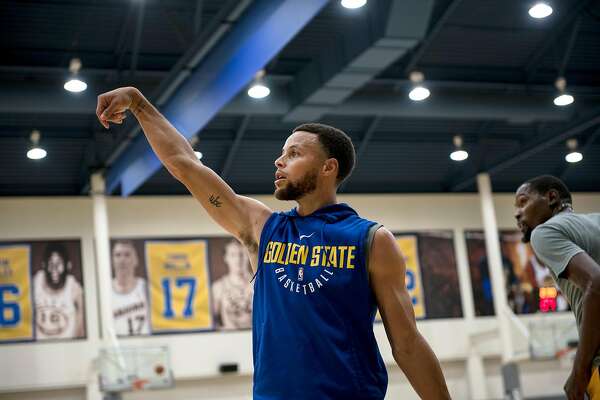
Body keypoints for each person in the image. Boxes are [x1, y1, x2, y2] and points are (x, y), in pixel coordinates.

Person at [96, 86, 450, 399]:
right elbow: (184, 164)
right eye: (283, 152)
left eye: (294, 154)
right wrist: (139, 104)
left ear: (329, 168)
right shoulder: (261, 228)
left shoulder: (372, 239)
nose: (279, 161)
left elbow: (406, 344)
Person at [514, 175, 600, 399]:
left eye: (523, 202)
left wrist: (579, 372)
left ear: (551, 197)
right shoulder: (596, 221)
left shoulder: (544, 233)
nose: (517, 213)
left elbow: (596, 282)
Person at [33, 243, 84, 340]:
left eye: (59, 263)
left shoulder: (74, 287)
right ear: (44, 265)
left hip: (67, 348)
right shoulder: (36, 282)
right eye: (51, 263)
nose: (54, 269)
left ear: (68, 266)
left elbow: (81, 329)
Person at [111, 240, 150, 336]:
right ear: (112, 261)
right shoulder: (104, 290)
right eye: (118, 255)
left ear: (136, 260)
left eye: (127, 255)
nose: (122, 260)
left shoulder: (146, 288)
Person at [212, 239, 254, 330]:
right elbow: (212, 322)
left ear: (249, 255)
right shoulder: (218, 287)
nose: (238, 259)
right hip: (230, 340)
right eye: (233, 255)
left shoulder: (260, 284)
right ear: (226, 258)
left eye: (242, 254)